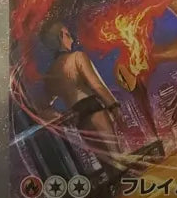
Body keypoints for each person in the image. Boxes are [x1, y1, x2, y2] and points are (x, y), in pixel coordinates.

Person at [42, 22, 122, 168]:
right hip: (94, 108)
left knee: (106, 164)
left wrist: (62, 117)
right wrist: (114, 105)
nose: (72, 39)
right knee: (117, 158)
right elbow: (97, 85)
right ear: (60, 38)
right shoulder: (78, 57)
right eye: (68, 35)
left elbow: (43, 107)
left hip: (78, 116)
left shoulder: (50, 74)